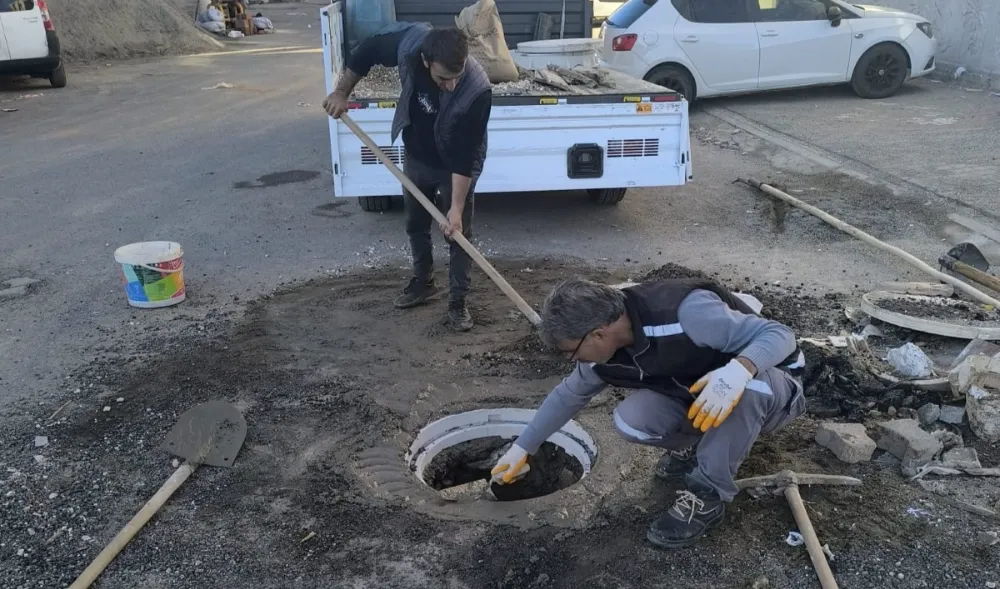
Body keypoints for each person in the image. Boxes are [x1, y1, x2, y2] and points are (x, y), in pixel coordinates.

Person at [490, 277, 807, 548]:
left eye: (571, 351)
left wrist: (739, 371)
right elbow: (567, 395)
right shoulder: (601, 353)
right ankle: (698, 448)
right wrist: (523, 446)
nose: (573, 359)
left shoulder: (686, 313)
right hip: (697, 389)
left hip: (774, 384)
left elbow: (781, 335)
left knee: (749, 389)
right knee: (632, 419)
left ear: (599, 334)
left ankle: (708, 495)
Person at [323, 24, 492, 332]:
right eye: (443, 78)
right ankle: (423, 282)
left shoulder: (477, 89)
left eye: (457, 75)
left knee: (459, 234)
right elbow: (368, 48)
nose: (452, 85)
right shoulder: (410, 46)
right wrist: (340, 92)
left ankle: (457, 302)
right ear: (426, 62)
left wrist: (455, 208)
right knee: (415, 224)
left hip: (454, 165)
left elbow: (467, 154)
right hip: (416, 156)